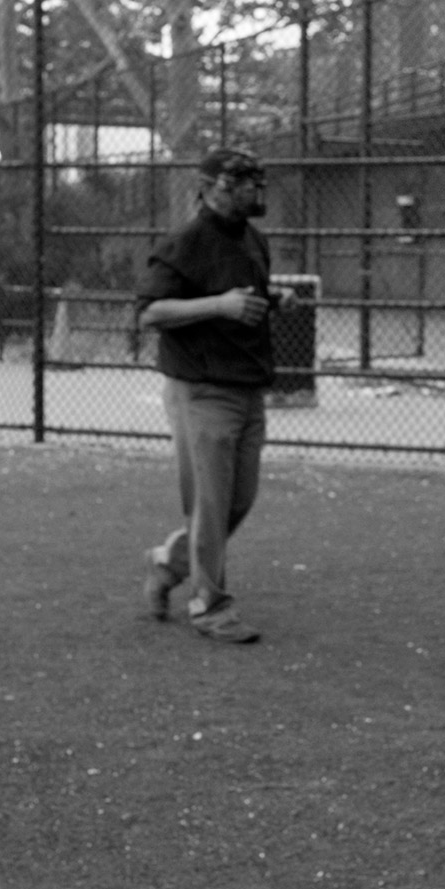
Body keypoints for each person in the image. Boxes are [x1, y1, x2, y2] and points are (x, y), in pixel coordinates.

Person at [135, 146, 292, 644]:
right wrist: (219, 305)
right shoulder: (186, 241)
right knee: (211, 501)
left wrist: (273, 300)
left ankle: (170, 563)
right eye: (241, 182)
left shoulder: (252, 240)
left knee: (234, 502)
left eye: (254, 182)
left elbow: (244, 299)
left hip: (246, 387)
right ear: (210, 187)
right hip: (201, 390)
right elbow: (151, 312)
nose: (252, 191)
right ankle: (209, 605)